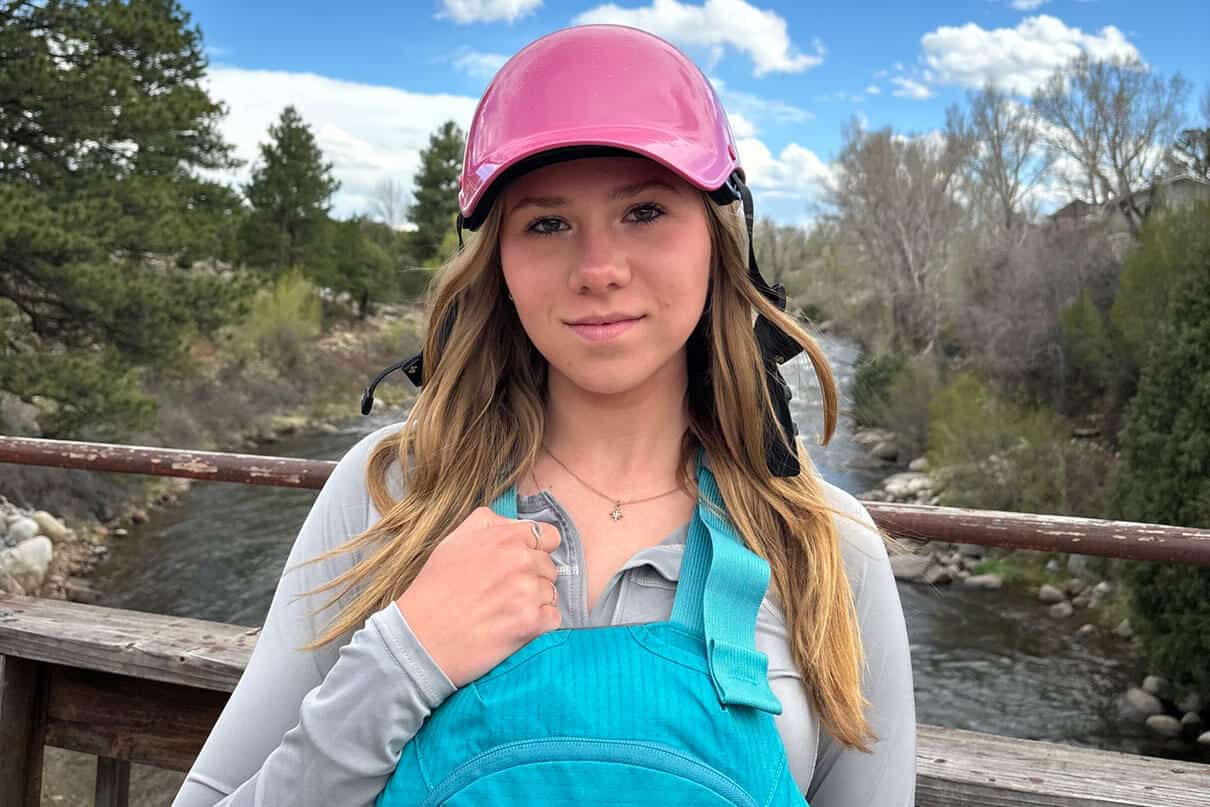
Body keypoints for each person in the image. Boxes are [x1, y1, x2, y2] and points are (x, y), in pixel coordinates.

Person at [171, 24, 916, 807]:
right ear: (499, 262)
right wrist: (403, 658)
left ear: (717, 241)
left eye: (645, 211)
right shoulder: (388, 495)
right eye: (547, 224)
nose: (598, 269)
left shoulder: (827, 546)